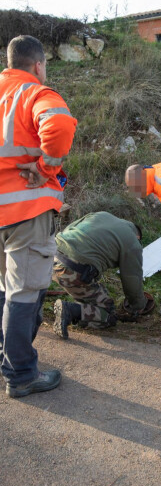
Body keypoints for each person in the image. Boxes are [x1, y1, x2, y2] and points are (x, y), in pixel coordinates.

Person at [0, 35, 77, 398]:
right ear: (38, 65)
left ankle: (6, 359)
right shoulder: (35, 94)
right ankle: (21, 374)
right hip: (25, 211)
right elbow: (60, 127)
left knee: (3, 290)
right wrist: (45, 166)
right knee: (24, 292)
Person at [52, 211, 148, 339]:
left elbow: (70, 227)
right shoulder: (132, 242)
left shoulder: (101, 215)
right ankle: (70, 311)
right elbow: (132, 278)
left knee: (89, 295)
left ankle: (75, 312)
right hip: (72, 271)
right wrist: (137, 306)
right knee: (108, 315)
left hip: (49, 257)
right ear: (138, 237)